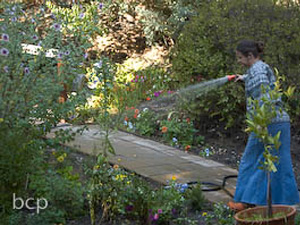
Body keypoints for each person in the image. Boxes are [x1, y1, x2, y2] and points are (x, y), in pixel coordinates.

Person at [227, 40, 300, 211]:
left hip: (269, 123)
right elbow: (258, 81)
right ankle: (283, 203)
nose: (239, 61)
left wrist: (261, 124)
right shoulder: (257, 69)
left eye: (240, 58)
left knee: (254, 160)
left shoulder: (258, 70)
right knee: (274, 161)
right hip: (275, 122)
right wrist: (241, 78)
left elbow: (263, 95)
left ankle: (246, 201)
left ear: (250, 56)